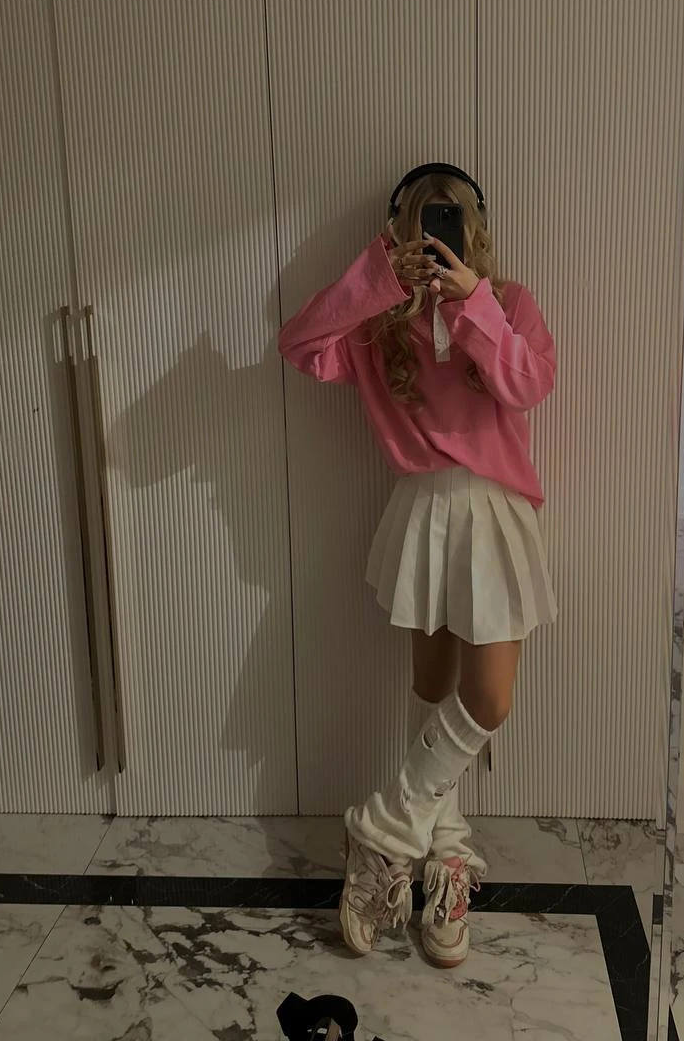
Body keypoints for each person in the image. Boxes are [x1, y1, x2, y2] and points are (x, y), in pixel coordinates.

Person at [278, 164, 557, 969]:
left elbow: (531, 384)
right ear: (398, 229)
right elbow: (299, 346)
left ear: (476, 226)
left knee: (487, 699)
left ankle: (385, 829)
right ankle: (448, 859)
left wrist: (472, 302)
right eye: (422, 221)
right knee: (433, 690)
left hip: (493, 511)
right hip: (422, 510)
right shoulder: (379, 322)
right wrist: (375, 279)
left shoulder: (509, 302)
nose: (438, 233)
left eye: (453, 217)